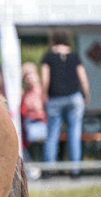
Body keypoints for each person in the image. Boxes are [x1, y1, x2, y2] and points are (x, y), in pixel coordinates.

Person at [40, 29, 90, 176]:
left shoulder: (48, 57)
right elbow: (83, 79)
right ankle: (75, 170)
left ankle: (49, 170)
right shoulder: (74, 56)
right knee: (74, 133)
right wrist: (86, 95)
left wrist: (43, 95)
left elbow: (45, 79)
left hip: (55, 99)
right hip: (74, 98)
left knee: (52, 135)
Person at [20, 63, 47, 161]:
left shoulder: (43, 90)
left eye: (31, 74)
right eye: (26, 76)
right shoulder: (24, 93)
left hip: (41, 123)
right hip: (29, 124)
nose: (29, 78)